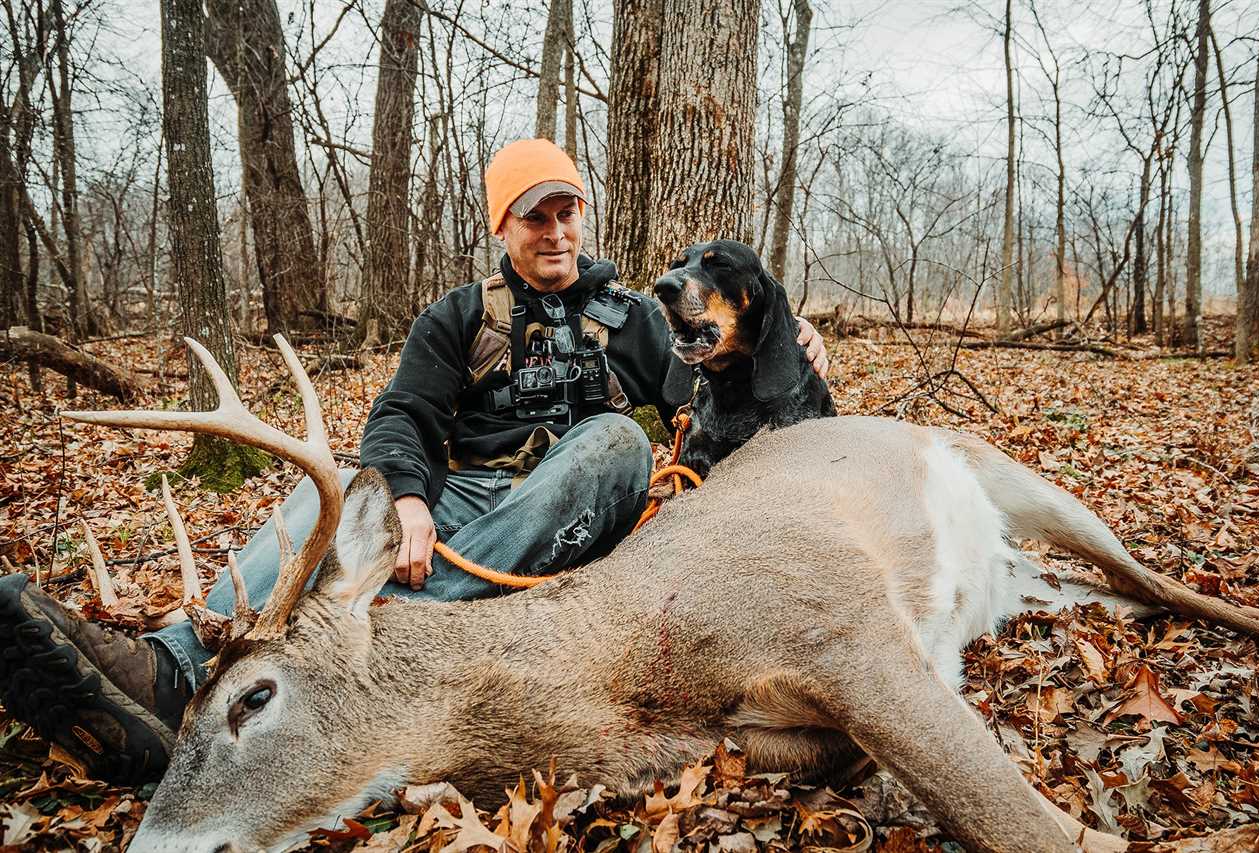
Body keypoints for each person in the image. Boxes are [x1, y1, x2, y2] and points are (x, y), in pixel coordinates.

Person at [0, 138, 828, 784]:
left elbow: (713, 382)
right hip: (461, 497)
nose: (556, 231)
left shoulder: (630, 320)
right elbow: (402, 414)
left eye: (568, 212)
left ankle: (407, 637)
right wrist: (402, 497)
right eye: (535, 216)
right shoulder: (459, 315)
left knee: (615, 440)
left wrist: (782, 345)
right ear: (503, 227)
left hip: (567, 515)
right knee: (330, 490)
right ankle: (173, 667)